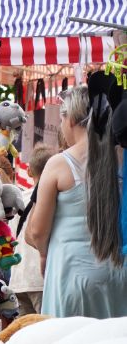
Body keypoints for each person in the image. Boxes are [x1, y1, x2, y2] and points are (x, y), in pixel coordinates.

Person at [26, 85, 127, 318]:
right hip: (120, 274)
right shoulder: (122, 157)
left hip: (72, 274)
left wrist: (43, 253)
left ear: (70, 119)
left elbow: (38, 231)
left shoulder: (60, 164)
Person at [10, 144, 53, 316]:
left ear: (28, 172)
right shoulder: (53, 198)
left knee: (24, 337)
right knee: (47, 334)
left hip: (18, 279)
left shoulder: (16, 199)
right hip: (41, 279)